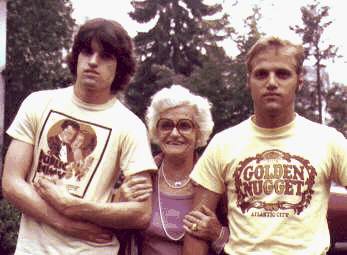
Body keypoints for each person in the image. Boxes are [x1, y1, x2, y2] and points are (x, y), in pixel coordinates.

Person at [2, 18, 157, 255]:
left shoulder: (130, 126)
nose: (93, 62)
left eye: (105, 56)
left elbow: (141, 214)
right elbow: (11, 183)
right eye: (87, 52)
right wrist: (63, 221)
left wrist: (74, 206)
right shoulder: (39, 103)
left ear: (120, 68)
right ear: (76, 57)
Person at [182, 36, 347, 255]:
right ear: (248, 80)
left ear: (299, 81)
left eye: (282, 74)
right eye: (261, 74)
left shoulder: (328, 141)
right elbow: (196, 226)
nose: (271, 82)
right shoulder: (224, 143)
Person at [116, 84, 229, 255]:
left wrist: (218, 234)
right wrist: (120, 202)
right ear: (156, 130)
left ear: (199, 132)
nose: (174, 133)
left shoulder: (218, 181)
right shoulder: (142, 176)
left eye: (184, 126)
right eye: (166, 125)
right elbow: (111, 236)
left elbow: (246, 239)